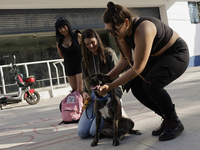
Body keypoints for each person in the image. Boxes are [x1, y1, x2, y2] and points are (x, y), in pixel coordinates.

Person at [98, 1, 189, 141]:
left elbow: (137, 68)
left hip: (176, 54)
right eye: (107, 30)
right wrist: (107, 77)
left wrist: (110, 86)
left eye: (112, 31)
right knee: (136, 86)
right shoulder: (121, 34)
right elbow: (124, 61)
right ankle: (167, 119)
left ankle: (175, 121)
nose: (111, 34)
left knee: (151, 83)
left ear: (126, 22)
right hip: (157, 57)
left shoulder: (143, 28)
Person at [77, 28, 125, 138]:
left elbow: (117, 79)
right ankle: (100, 117)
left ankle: (117, 117)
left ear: (97, 40)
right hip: (94, 97)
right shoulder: (85, 60)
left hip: (109, 95)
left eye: (93, 42)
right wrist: (85, 92)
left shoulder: (109, 54)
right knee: (82, 133)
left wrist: (117, 98)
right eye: (87, 44)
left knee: (94, 132)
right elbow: (86, 80)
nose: (91, 46)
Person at [55, 17, 83, 93]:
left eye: (64, 27)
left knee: (81, 90)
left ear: (68, 26)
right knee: (74, 91)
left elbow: (86, 49)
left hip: (80, 65)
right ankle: (78, 105)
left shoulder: (77, 36)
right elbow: (62, 55)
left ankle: (86, 105)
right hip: (69, 66)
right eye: (60, 29)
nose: (63, 30)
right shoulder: (59, 42)